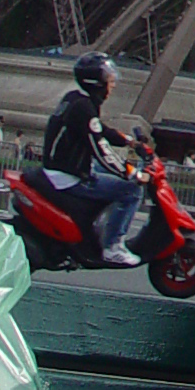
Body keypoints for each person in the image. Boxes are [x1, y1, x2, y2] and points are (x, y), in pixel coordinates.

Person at [41, 54, 142, 265]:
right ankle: (113, 247)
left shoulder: (74, 99)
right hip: (68, 175)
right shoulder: (84, 108)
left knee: (108, 175)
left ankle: (98, 226)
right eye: (110, 81)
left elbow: (98, 129)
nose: (112, 85)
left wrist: (128, 141)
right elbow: (101, 150)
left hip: (61, 167)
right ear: (97, 83)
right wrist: (131, 172)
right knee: (131, 190)